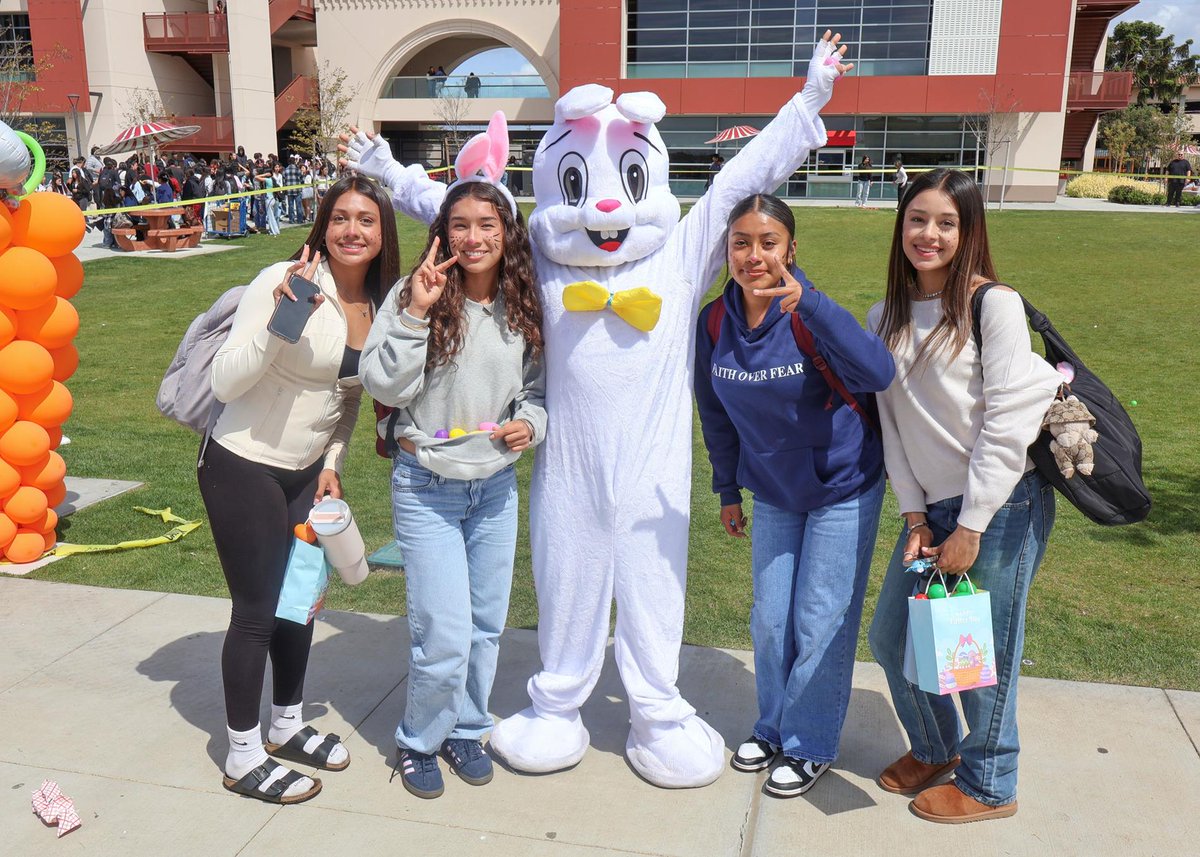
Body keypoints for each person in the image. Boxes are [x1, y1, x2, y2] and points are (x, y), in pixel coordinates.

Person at [865, 168, 1061, 823]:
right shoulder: (883, 317)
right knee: (892, 639)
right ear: (901, 226)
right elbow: (893, 426)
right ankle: (935, 746)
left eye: (946, 222)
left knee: (977, 657)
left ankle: (991, 782)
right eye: (918, 219)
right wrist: (917, 516)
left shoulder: (991, 304)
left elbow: (1007, 422)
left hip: (1001, 505)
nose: (929, 234)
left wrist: (971, 523)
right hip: (935, 509)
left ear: (968, 230)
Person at [199, 175, 398, 805]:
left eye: (366, 220)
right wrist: (286, 320)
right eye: (340, 217)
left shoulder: (377, 303)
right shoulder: (284, 278)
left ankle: (285, 723)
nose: (351, 231)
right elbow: (227, 382)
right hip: (242, 461)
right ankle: (241, 753)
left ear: (382, 233)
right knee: (256, 612)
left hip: (307, 472)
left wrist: (333, 459)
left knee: (299, 604)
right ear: (323, 224)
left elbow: (348, 397)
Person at [694, 193, 894, 797]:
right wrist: (727, 488)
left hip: (842, 486)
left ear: (791, 249)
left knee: (820, 619)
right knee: (771, 619)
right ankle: (773, 726)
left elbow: (878, 372)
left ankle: (810, 744)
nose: (754, 256)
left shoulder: (810, 314)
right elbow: (716, 414)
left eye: (768, 243)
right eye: (741, 243)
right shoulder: (713, 322)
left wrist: (811, 302)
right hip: (774, 491)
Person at [359, 178, 546, 800]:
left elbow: (537, 390)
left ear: (506, 233)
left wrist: (531, 422)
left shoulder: (522, 303)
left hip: (494, 488)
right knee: (441, 633)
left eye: (487, 224)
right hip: (427, 487)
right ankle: (418, 740)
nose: (474, 238)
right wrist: (415, 312)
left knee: (484, 626)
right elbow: (382, 383)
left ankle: (468, 727)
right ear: (443, 233)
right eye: (461, 225)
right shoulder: (414, 295)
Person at [283, 155, 303, 223]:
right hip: (297, 190)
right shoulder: (297, 170)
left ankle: (291, 219)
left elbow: (284, 180)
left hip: (289, 191)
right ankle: (300, 220)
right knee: (298, 206)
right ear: (294, 162)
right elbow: (302, 179)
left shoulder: (286, 170)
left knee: (290, 206)